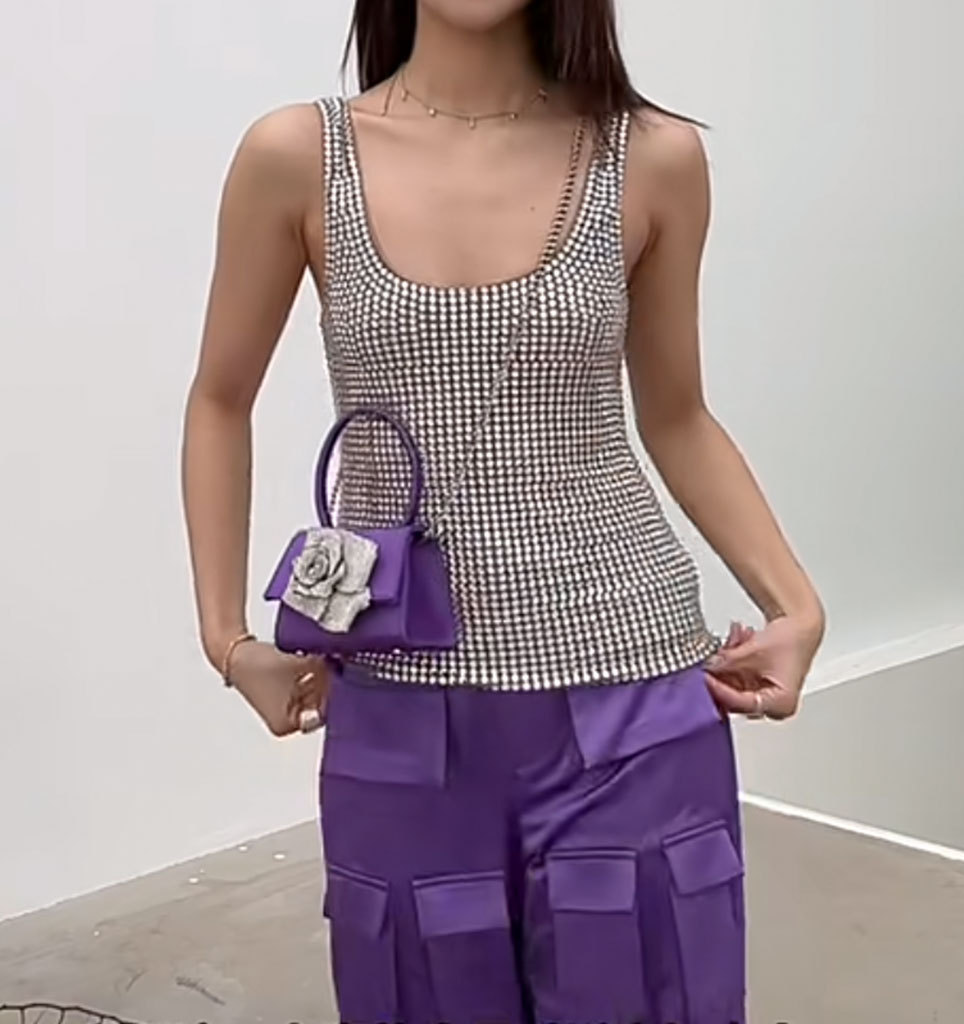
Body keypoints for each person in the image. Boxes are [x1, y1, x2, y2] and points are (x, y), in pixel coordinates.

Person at [181, 1, 825, 1021]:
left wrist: (797, 606)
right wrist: (227, 640)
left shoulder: (651, 156)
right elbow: (220, 399)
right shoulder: (298, 156)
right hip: (400, 702)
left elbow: (676, 414)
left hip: (630, 697)